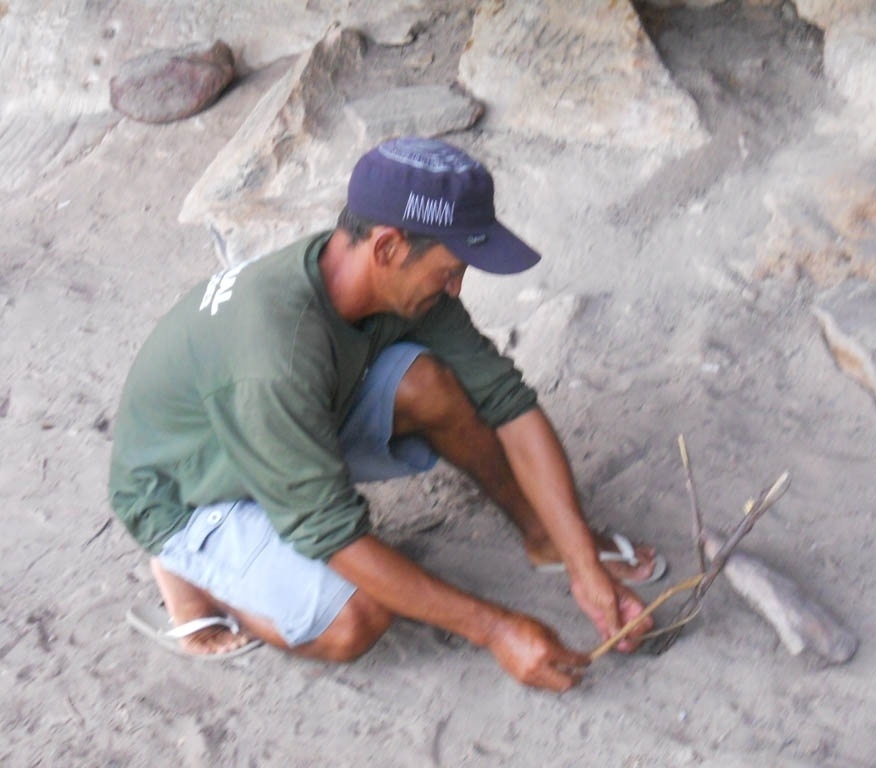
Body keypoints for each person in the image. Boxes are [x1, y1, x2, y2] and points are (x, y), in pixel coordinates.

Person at [109, 137, 666, 692]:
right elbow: (331, 533)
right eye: (450, 269)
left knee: (432, 385)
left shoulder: (381, 281)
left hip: (277, 432)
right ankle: (191, 577)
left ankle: (539, 536)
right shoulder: (275, 354)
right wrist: (497, 629)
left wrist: (579, 559)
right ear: (388, 248)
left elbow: (507, 404)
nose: (458, 285)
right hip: (190, 492)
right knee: (357, 618)